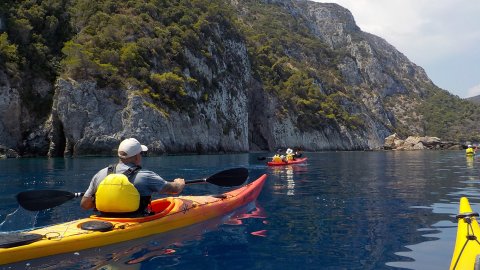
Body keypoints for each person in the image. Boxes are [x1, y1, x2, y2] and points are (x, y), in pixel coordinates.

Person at [80, 138, 185, 215]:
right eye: (141, 154)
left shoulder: (100, 174)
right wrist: (179, 183)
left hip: (104, 221)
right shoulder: (146, 176)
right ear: (136, 156)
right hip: (136, 221)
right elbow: (174, 189)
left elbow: (85, 204)